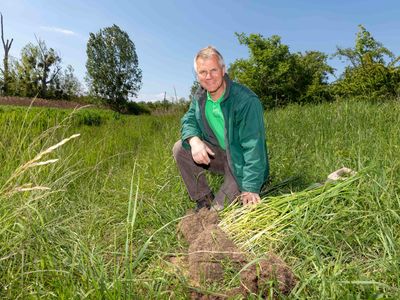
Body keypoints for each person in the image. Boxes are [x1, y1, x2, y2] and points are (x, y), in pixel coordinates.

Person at [173, 46, 269, 211]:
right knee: (180, 148)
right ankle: (204, 199)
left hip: (240, 159)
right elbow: (188, 120)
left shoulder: (245, 100)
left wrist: (251, 187)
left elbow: (254, 146)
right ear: (197, 76)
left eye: (213, 70)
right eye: (203, 72)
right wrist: (194, 141)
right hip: (217, 155)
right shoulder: (200, 97)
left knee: (218, 212)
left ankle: (237, 187)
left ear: (223, 70)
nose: (208, 77)